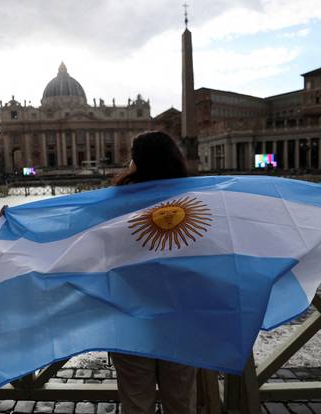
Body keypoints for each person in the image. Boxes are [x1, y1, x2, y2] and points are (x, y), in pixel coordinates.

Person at [111, 130, 197, 414]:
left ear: (136, 162)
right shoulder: (195, 200)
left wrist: (24, 223)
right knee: (180, 400)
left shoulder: (115, 204)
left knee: (136, 403)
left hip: (130, 315)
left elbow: (73, 226)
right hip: (182, 314)